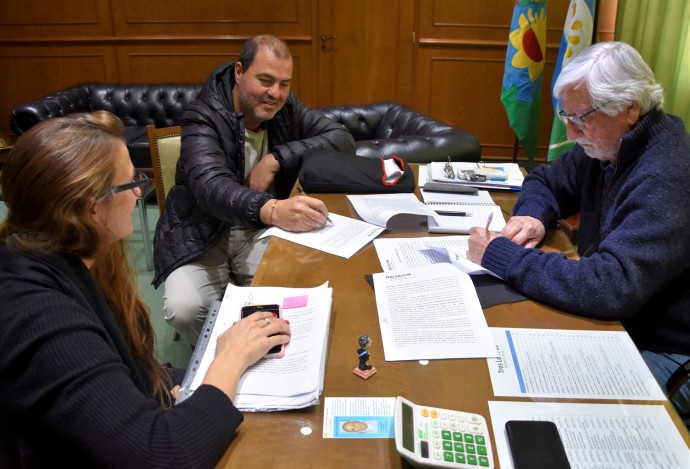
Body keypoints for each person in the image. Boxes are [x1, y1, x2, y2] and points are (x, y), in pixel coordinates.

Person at [0, 112, 291, 468]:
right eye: (130, 183)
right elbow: (166, 456)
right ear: (92, 208)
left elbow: (118, 373)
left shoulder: (61, 256)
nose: (140, 192)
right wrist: (229, 360)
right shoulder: (40, 317)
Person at [468, 41, 690, 412]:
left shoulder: (666, 177)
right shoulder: (609, 143)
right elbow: (546, 180)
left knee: (535, 404)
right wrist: (532, 216)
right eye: (566, 117)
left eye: (581, 118)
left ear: (629, 108)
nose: (571, 133)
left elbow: (611, 285)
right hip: (619, 320)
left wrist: (503, 256)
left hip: (662, 347)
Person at [153, 35, 355, 346]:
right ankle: (220, 356)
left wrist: (277, 158)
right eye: (265, 80)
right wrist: (272, 209)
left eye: (284, 84)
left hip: (258, 229)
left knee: (306, 291)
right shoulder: (202, 115)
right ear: (238, 72)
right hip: (202, 230)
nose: (275, 93)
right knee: (185, 309)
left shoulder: (286, 108)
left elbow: (342, 139)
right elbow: (210, 186)